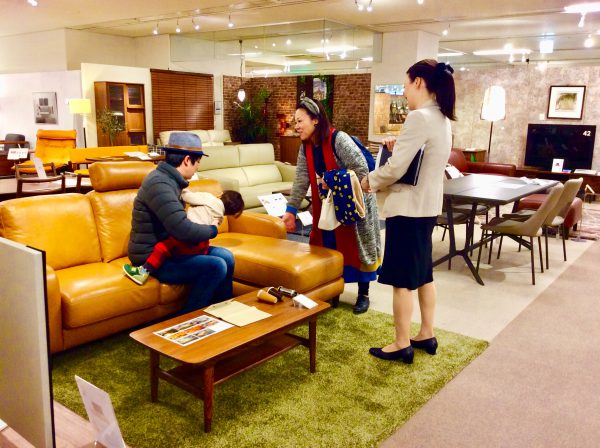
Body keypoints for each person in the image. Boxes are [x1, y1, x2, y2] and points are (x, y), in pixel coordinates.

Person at [361, 59, 456, 364]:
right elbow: (419, 160)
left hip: (408, 210)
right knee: (423, 274)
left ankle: (402, 343)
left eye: (405, 85)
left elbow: (397, 168)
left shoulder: (419, 118)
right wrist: (396, 146)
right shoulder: (442, 118)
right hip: (427, 208)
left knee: (402, 280)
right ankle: (426, 332)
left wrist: (370, 180)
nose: (403, 92)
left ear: (418, 83)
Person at [282, 97, 381, 314]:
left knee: (356, 246)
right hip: (327, 205)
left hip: (353, 203)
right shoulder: (305, 147)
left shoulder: (339, 139)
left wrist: (330, 178)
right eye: (295, 122)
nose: (296, 126)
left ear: (315, 120)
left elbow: (362, 170)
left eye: (300, 121)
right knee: (328, 245)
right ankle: (333, 289)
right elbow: (301, 179)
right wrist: (291, 210)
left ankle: (363, 294)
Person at [126, 132, 235, 314]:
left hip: (172, 249)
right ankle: (187, 319)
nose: (198, 166)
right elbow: (182, 230)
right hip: (152, 257)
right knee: (216, 266)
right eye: (197, 162)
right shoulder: (159, 184)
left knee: (227, 257)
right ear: (186, 160)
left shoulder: (171, 181)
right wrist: (213, 230)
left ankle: (223, 311)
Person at [124, 189, 244, 285]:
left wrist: (182, 191)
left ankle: (143, 272)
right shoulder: (220, 216)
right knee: (215, 252)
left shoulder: (208, 198)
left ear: (220, 194)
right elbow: (212, 229)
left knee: (162, 247)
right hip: (200, 245)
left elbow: (188, 197)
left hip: (186, 236)